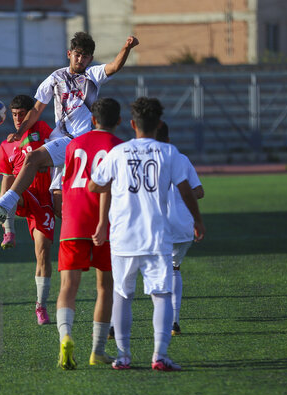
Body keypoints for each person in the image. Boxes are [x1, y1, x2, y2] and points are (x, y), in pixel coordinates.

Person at [89, 97, 206, 372]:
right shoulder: (169, 153)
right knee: (161, 294)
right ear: (159, 124)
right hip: (156, 236)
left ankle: (124, 355)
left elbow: (95, 185)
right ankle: (159, 355)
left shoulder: (118, 153)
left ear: (132, 124)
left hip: (123, 237)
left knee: (122, 294)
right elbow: (187, 189)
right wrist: (198, 220)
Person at [0, 32, 139, 224]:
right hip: (60, 140)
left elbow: (114, 67)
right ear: (69, 53)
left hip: (77, 140)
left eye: (85, 56)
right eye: (77, 54)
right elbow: (36, 109)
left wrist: (126, 48)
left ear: (91, 58)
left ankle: (4, 204)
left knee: (33, 157)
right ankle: (96, 230)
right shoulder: (55, 78)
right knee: (58, 204)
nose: (81, 59)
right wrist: (20, 133)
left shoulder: (93, 75)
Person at [55, 97, 123, 370]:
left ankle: (66, 335)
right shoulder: (120, 147)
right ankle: (97, 350)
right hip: (105, 224)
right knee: (105, 287)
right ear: (118, 122)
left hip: (73, 223)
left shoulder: (73, 145)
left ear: (92, 120)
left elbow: (66, 181)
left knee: (67, 287)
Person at [0, 95, 55, 325]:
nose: (18, 119)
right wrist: (3, 206)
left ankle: (41, 305)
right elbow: (7, 179)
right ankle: (8, 231)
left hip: (44, 198)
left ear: (31, 113)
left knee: (43, 254)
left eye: (22, 114)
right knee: (10, 188)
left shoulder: (42, 129)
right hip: (23, 197)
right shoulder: (6, 144)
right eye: (14, 115)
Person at [155, 121, 204, 337]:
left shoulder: (142, 159)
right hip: (183, 226)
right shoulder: (181, 158)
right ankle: (174, 321)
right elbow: (199, 191)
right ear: (168, 139)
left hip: (154, 226)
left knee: (151, 272)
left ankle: (112, 326)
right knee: (174, 269)